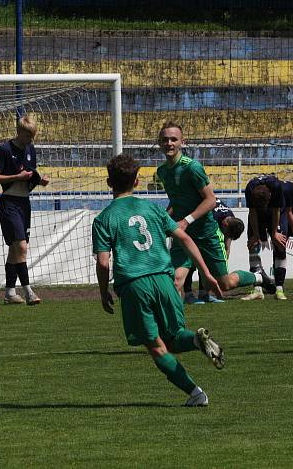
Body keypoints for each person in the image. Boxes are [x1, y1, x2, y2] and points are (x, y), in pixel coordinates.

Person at [93, 153, 225, 406]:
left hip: (135, 284)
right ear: (138, 181)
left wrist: (102, 291)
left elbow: (103, 261)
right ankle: (197, 340)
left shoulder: (104, 218)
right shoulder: (152, 209)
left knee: (156, 346)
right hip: (164, 280)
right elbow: (185, 238)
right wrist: (206, 273)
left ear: (109, 183)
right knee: (173, 338)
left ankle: (196, 394)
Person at [155, 121, 274, 303]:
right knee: (175, 281)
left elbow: (210, 200)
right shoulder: (162, 171)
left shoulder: (192, 167)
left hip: (205, 233)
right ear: (159, 142)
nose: (169, 143)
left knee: (224, 284)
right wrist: (164, 218)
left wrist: (186, 220)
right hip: (183, 234)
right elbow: (177, 200)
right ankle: (172, 327)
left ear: (182, 142)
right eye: (165, 140)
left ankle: (257, 277)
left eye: (173, 139)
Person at [0, 115, 49, 305]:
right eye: (27, 137)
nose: (30, 141)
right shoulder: (5, 149)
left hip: (25, 203)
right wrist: (17, 176)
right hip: (9, 203)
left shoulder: (31, 148)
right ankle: (29, 291)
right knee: (21, 247)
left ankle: (9, 292)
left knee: (15, 251)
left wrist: (39, 180)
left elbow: (30, 174)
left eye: (32, 137)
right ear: (19, 132)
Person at [242, 174, 293, 300]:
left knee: (280, 243)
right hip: (264, 213)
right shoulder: (250, 188)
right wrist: (256, 235)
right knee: (253, 245)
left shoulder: (277, 188)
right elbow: (252, 212)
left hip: (287, 211)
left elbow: (280, 211)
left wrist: (275, 232)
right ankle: (258, 289)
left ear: (270, 196)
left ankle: (280, 288)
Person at [182, 198, 245, 304]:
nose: (226, 236)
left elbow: (227, 245)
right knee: (191, 263)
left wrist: (223, 261)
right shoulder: (214, 218)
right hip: (192, 230)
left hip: (203, 233)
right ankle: (188, 295)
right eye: (226, 233)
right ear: (225, 225)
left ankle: (204, 294)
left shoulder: (231, 219)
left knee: (207, 263)